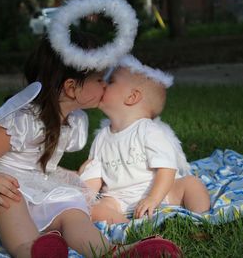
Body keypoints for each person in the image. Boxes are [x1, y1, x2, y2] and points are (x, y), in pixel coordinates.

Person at [0, 35, 182, 258]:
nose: (104, 85)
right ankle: (31, 251)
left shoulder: (73, 122)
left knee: (71, 209)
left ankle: (111, 252)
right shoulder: (23, 120)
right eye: (99, 79)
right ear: (72, 88)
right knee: (11, 197)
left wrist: (70, 176)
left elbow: (38, 165)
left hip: (27, 191)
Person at [79, 55, 211, 224]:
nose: (103, 84)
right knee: (95, 210)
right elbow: (95, 174)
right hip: (117, 199)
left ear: (132, 97)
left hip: (161, 192)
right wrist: (86, 196)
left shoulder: (148, 130)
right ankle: (127, 228)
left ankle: (201, 218)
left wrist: (153, 198)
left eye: (110, 81)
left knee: (192, 184)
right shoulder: (102, 137)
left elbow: (166, 169)